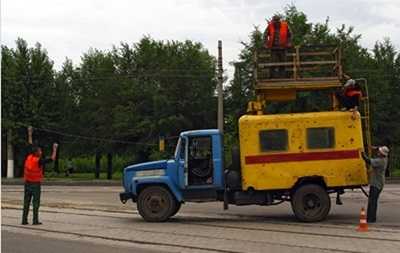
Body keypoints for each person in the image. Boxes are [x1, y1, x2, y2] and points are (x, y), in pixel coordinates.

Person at [22, 126, 58, 225]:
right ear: (37, 153)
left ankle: (24, 220)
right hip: (35, 184)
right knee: (35, 203)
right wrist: (54, 149)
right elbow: (52, 159)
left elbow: (30, 144)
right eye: (40, 151)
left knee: (26, 202)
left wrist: (29, 132)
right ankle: (35, 220)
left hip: (27, 183)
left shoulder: (29, 156)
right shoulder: (39, 161)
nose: (41, 152)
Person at [362, 146, 390, 223]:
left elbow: (368, 160)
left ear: (382, 154)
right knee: (373, 201)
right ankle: (372, 218)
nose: (378, 152)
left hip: (376, 184)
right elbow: (379, 150)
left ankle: (370, 219)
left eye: (379, 152)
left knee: (372, 201)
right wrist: (375, 148)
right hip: (379, 183)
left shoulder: (380, 161)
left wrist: (362, 153)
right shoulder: (385, 158)